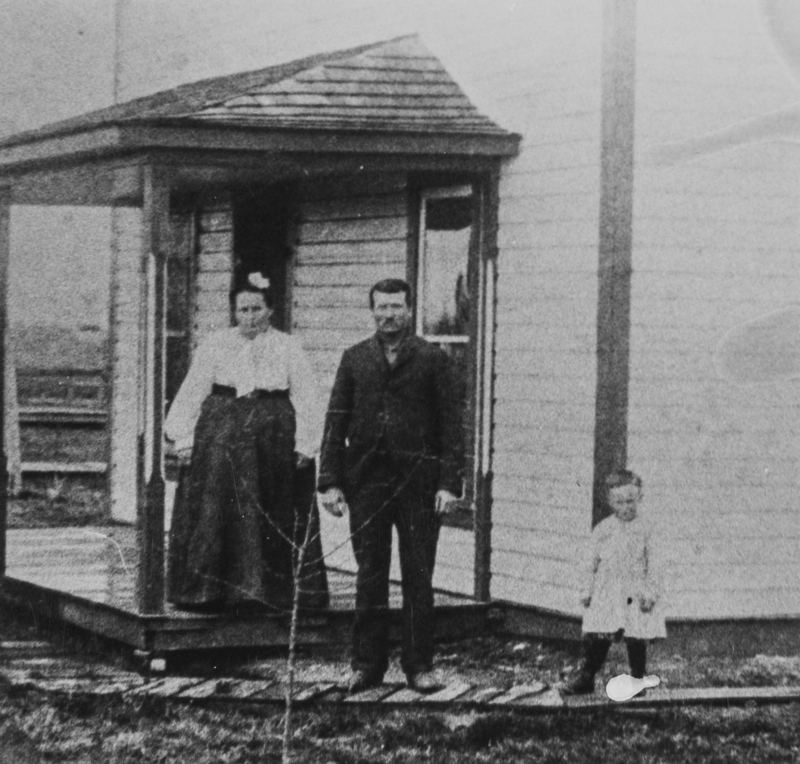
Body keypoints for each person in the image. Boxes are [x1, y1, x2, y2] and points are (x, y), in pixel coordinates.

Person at [317, 278, 462, 693]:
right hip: (368, 483)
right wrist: (330, 482)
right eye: (381, 307)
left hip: (419, 485)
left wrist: (449, 484)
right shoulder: (355, 359)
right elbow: (336, 421)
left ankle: (419, 666)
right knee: (370, 575)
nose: (388, 315)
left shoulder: (433, 359)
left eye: (396, 307)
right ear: (372, 311)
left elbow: (452, 426)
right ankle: (367, 665)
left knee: (418, 575)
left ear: (409, 310)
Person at [164, 273, 328, 614]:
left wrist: (305, 443)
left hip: (272, 437)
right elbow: (194, 390)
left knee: (268, 507)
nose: (249, 317)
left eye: (256, 309)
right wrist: (182, 436)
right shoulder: (216, 344)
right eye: (243, 310)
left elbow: (307, 397)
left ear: (270, 310)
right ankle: (210, 591)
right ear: (234, 311)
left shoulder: (288, 346)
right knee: (218, 507)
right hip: (220, 434)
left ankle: (267, 593)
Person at [563, 469, 667, 695]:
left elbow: (656, 564)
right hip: (607, 590)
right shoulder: (604, 529)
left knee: (636, 636)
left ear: (639, 498)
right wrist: (586, 590)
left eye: (630, 501)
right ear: (611, 502)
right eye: (619, 502)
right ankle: (587, 676)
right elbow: (589, 563)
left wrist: (650, 593)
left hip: (635, 591)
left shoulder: (647, 529)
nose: (626, 507)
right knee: (601, 634)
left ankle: (637, 680)